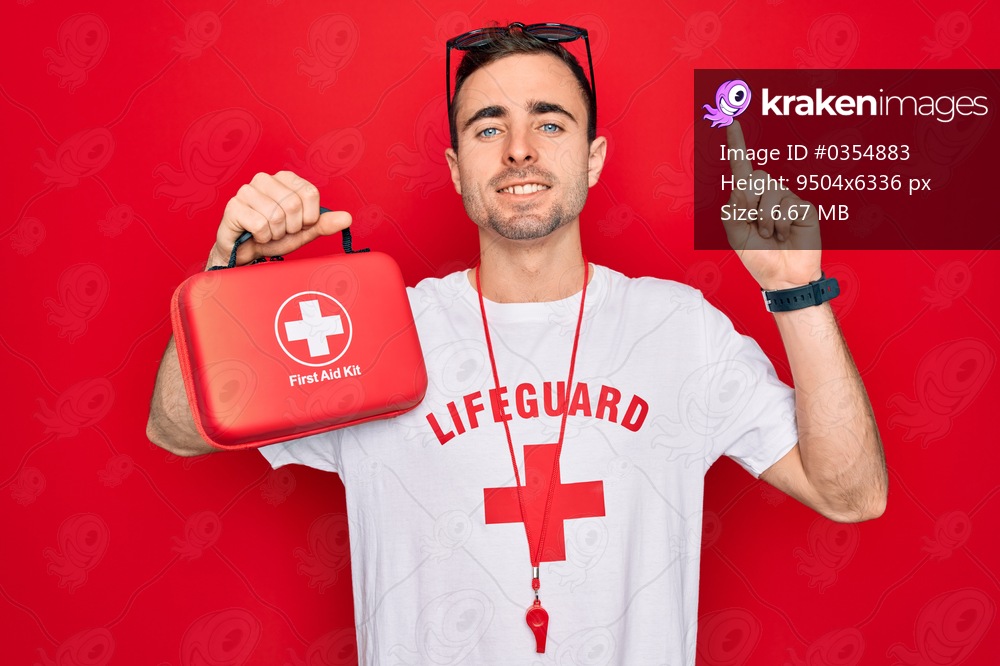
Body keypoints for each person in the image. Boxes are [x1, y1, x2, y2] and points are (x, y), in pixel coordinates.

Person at [147, 22, 887, 665]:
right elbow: (177, 431)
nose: (520, 150)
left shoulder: (677, 329)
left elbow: (851, 495)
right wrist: (227, 278)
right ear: (456, 168)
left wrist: (797, 290)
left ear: (593, 158)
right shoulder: (377, 329)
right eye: (489, 127)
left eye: (552, 123)